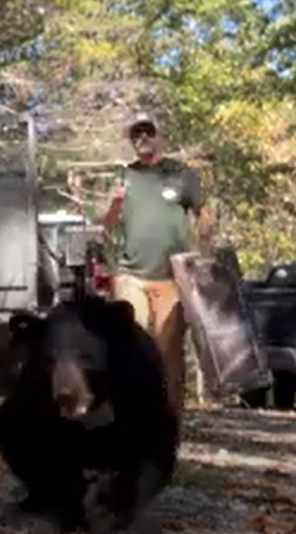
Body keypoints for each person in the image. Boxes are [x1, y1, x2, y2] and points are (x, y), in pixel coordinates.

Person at [98, 112, 213, 424]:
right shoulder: (124, 175)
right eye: (136, 134)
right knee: (130, 343)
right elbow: (106, 226)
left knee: (167, 350)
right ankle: (131, 418)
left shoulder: (181, 174)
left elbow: (203, 215)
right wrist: (113, 205)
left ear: (159, 136)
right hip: (131, 274)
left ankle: (170, 421)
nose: (142, 138)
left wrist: (201, 254)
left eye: (147, 132)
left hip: (171, 278)